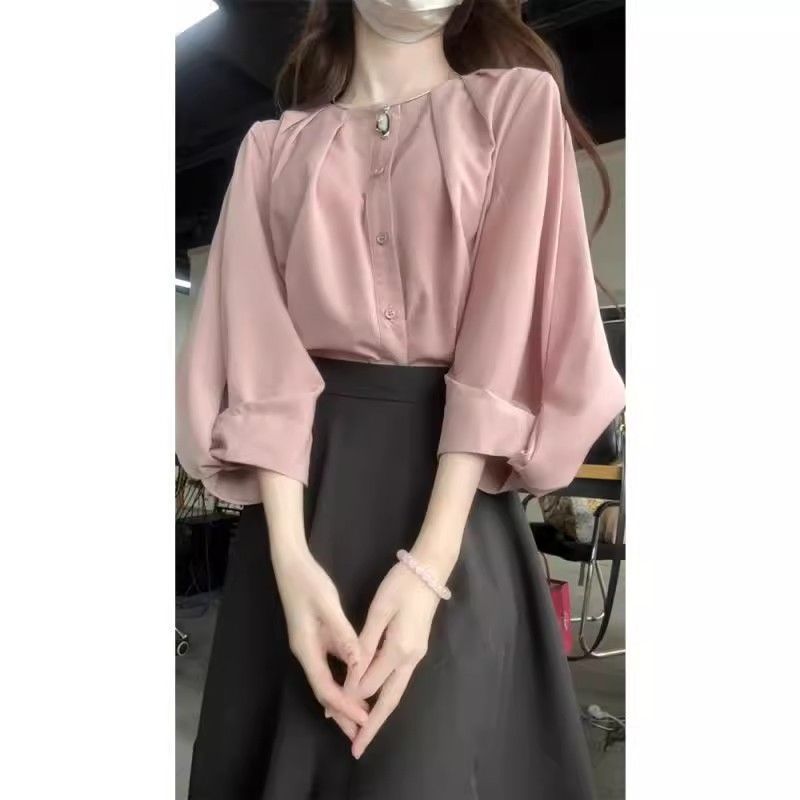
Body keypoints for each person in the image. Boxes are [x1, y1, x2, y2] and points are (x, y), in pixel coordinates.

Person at [175, 1, 625, 797]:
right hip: (300, 515)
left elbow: (503, 340)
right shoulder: (271, 151)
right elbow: (258, 365)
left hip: (456, 518)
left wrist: (427, 569)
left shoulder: (513, 109)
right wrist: (290, 564)